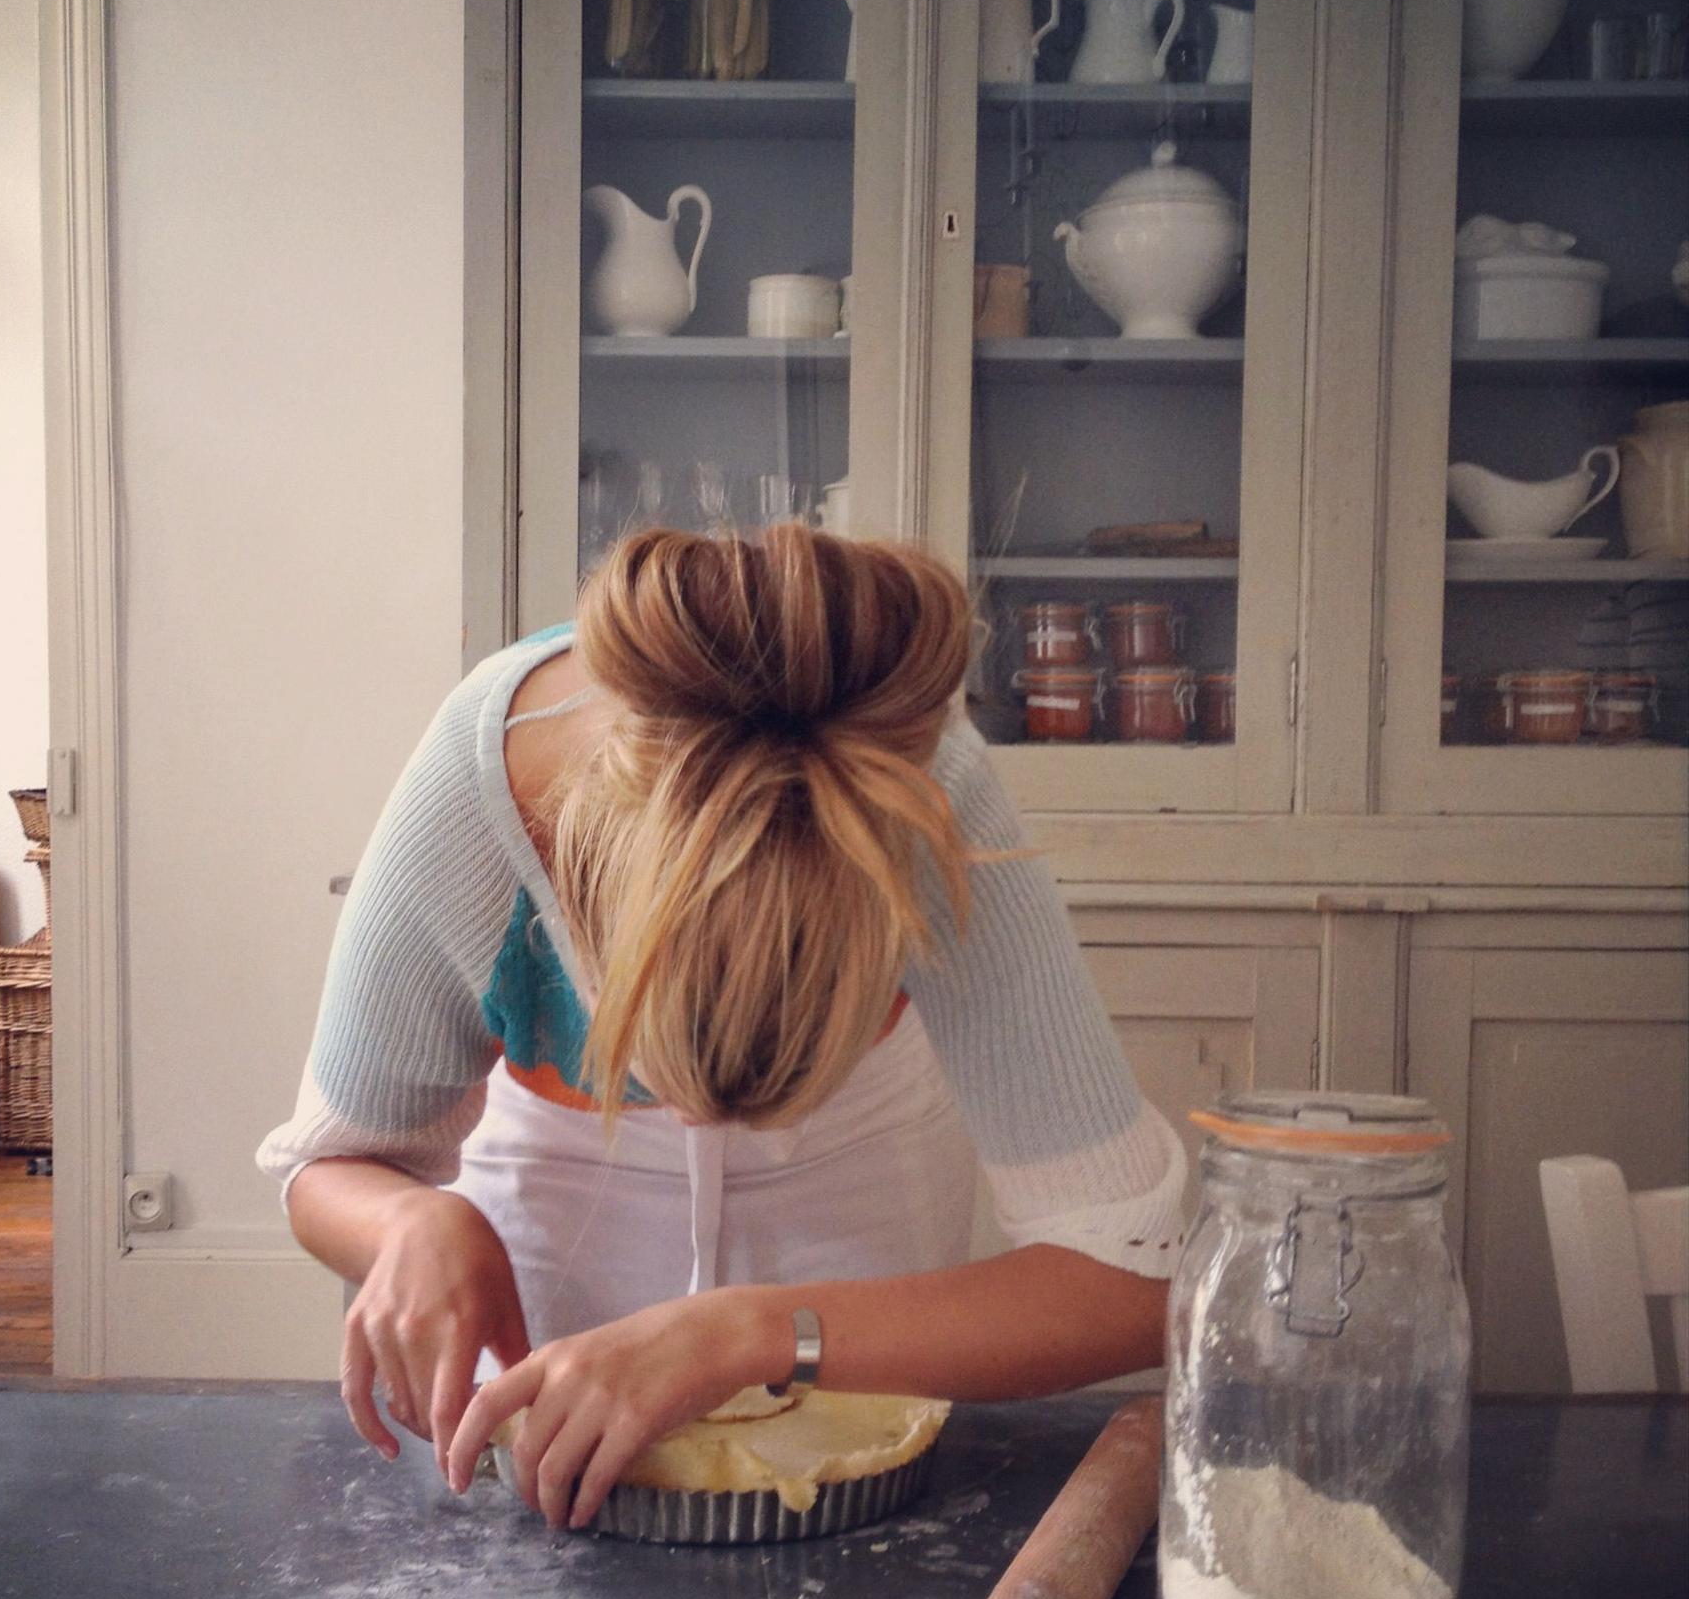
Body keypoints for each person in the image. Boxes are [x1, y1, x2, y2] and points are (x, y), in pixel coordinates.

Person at [257, 523, 1188, 1532]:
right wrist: (409, 1221)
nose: (700, 1125)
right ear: (582, 883)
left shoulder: (917, 786)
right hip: (553, 1225)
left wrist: (752, 1332)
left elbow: (1132, 1278)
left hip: (857, 1229)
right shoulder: (480, 788)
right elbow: (328, 1166)